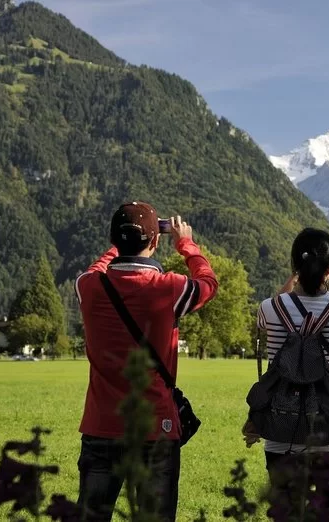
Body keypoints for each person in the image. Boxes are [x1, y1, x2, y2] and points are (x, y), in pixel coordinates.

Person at [75, 202, 218, 521]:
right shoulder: (170, 288)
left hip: (101, 426)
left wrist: (117, 247)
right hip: (156, 428)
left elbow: (97, 269)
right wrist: (186, 244)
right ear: (155, 242)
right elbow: (208, 284)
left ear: (113, 239)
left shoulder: (89, 287)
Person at [247, 228, 329, 522]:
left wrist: (293, 276)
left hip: (281, 426)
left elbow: (270, 312)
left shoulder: (271, 307)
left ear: (294, 266)